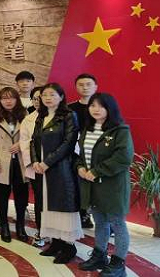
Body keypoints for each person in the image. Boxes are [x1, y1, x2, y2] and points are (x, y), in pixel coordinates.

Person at [76, 93, 134, 277]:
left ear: (110, 108)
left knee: (117, 224)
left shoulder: (120, 130)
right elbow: (81, 154)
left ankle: (118, 264)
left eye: (101, 106)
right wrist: (80, 167)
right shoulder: (88, 129)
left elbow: (123, 158)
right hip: (92, 186)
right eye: (92, 105)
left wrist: (97, 171)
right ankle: (99, 255)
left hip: (113, 187)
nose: (96, 109)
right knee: (100, 222)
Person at [30, 83, 82, 264]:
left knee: (62, 207)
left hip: (61, 169)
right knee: (47, 206)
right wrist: (35, 161)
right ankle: (56, 243)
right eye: (45, 95)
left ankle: (68, 247)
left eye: (52, 94)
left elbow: (68, 143)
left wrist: (47, 162)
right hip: (42, 169)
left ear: (61, 97)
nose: (48, 98)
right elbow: (33, 141)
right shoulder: (41, 116)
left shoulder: (69, 116)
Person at [0, 87, 29, 243]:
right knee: (1, 196)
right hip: (1, 161)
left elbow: (31, 136)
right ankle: (4, 225)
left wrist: (20, 144)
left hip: (21, 161)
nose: (8, 101)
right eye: (4, 98)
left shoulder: (25, 114)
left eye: (11, 98)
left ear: (17, 99)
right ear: (0, 100)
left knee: (21, 196)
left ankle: (20, 226)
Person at [69, 73, 99, 229]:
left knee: (97, 187)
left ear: (95, 87)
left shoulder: (102, 107)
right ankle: (83, 215)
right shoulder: (70, 108)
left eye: (88, 84)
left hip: (98, 153)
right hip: (76, 153)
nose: (85, 87)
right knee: (78, 185)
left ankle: (103, 220)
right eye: (81, 85)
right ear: (76, 87)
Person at [19, 86, 45, 247]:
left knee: (55, 202)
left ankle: (58, 235)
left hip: (55, 167)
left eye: (41, 98)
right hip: (36, 166)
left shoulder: (62, 117)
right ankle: (41, 231)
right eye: (35, 98)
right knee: (39, 200)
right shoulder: (28, 119)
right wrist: (33, 163)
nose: (38, 101)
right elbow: (24, 142)